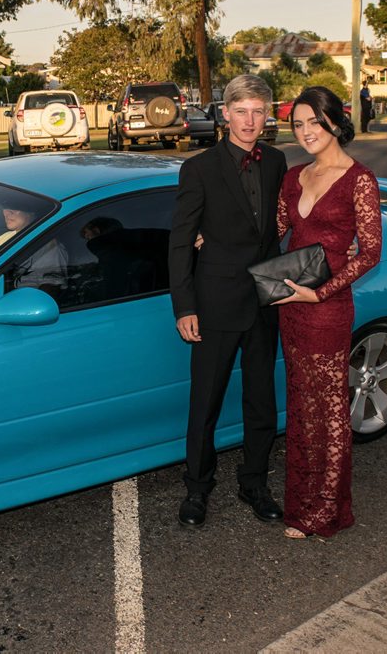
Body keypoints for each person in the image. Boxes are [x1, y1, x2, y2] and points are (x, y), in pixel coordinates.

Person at [168, 74, 288, 528]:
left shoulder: (276, 161)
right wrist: (185, 306)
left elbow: (279, 224)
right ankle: (197, 489)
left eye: (258, 111)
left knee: (261, 400)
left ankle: (254, 482)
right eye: (241, 111)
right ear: (225, 114)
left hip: (264, 300)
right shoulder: (198, 168)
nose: (250, 120)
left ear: (266, 115)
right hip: (214, 303)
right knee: (206, 404)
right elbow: (180, 241)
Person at [274, 86, 382, 539]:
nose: (305, 132)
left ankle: (326, 512)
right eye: (297, 125)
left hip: (325, 310)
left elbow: (370, 253)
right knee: (301, 406)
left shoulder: (359, 179)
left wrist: (318, 296)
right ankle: (301, 504)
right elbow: (272, 230)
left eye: (313, 122)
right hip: (290, 309)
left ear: (334, 122)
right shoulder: (294, 176)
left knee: (331, 409)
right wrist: (212, 237)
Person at [0, 207, 68, 290]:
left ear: (32, 211)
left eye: (15, 208)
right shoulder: (6, 237)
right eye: (5, 207)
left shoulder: (49, 247)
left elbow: (48, 293)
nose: (6, 213)